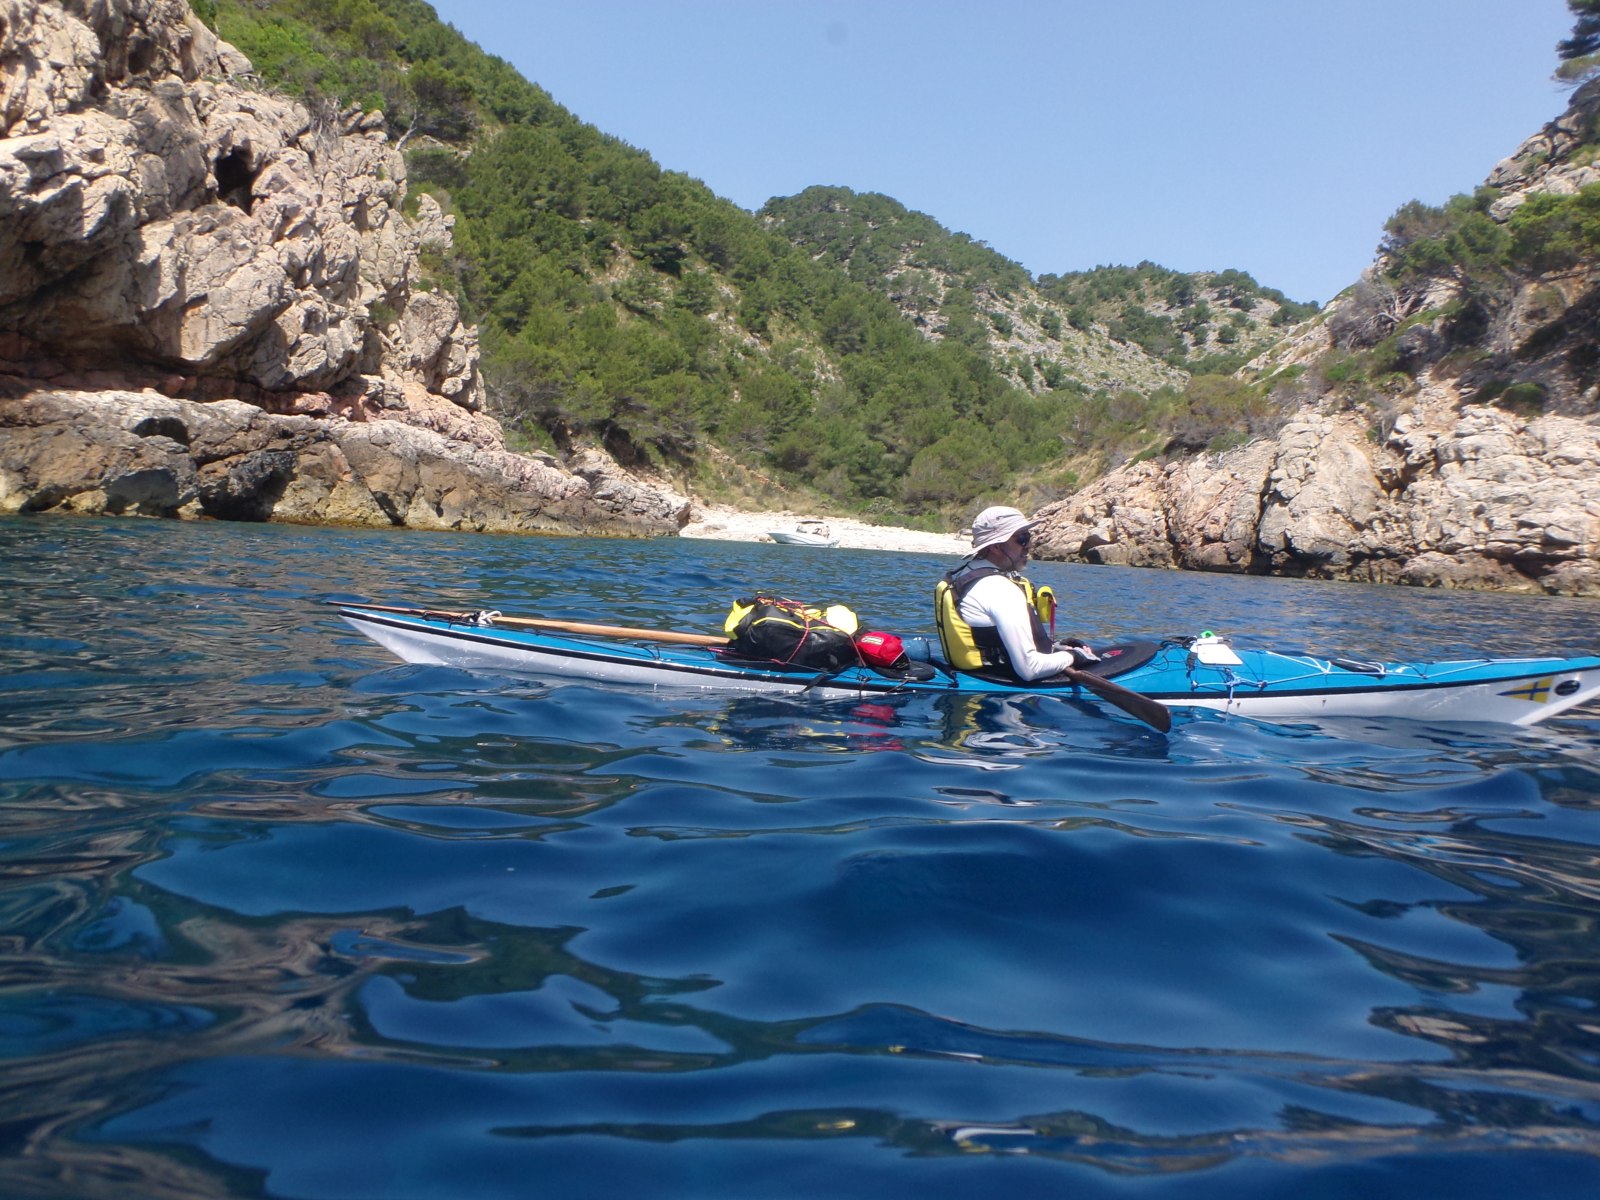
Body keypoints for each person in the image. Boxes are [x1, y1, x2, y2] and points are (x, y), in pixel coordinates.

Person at [934, 505, 1096, 682]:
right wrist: (1074, 656)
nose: (1030, 545)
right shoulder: (1000, 590)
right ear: (996, 547)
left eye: (1028, 536)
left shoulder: (965, 575)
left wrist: (1057, 649)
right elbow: (1030, 669)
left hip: (975, 677)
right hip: (1001, 698)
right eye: (1022, 538)